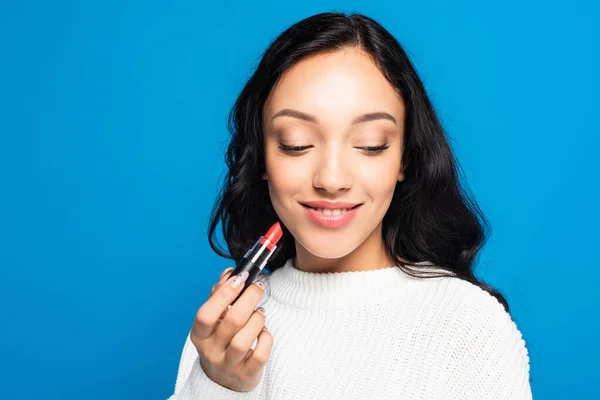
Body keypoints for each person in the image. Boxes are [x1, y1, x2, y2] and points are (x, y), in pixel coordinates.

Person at [168, 11, 532, 400]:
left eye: (371, 144)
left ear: (405, 158)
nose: (331, 179)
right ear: (260, 158)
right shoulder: (228, 332)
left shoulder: (467, 324)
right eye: (295, 142)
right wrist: (217, 384)